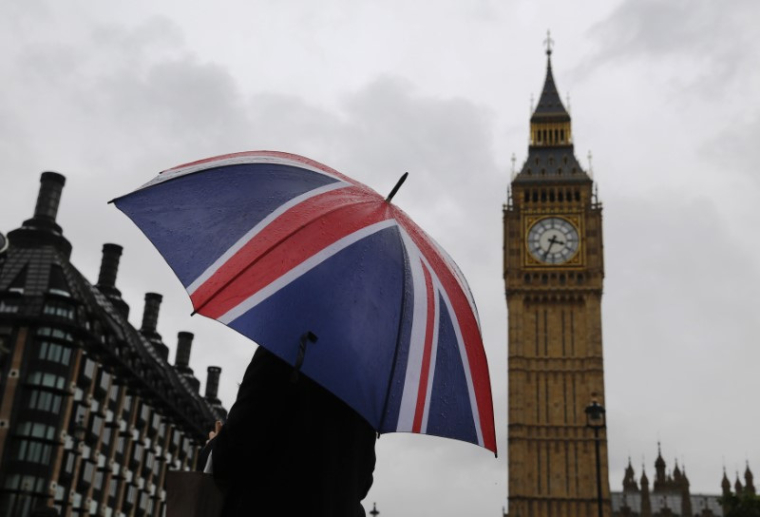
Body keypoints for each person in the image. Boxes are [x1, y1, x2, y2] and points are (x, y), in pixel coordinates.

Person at [204, 346, 377, 517]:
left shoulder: (284, 350)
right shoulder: (366, 384)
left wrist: (214, 445)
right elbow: (362, 484)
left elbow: (233, 453)